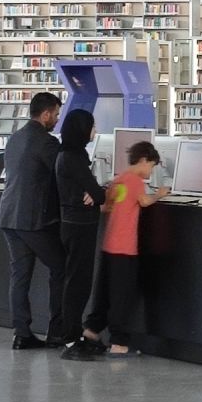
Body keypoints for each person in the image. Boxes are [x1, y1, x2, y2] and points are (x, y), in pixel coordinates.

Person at [73, 140, 169, 358]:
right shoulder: (135, 181)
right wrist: (160, 194)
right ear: (144, 160)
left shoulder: (118, 180)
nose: (150, 172)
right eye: (151, 166)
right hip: (125, 247)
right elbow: (144, 202)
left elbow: (106, 207)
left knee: (105, 292)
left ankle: (91, 331)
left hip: (109, 244)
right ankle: (119, 342)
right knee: (122, 296)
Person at [0, 92, 64, 350]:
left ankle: (21, 332)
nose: (56, 119)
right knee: (61, 268)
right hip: (32, 218)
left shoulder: (14, 138)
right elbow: (63, 174)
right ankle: (58, 331)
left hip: (8, 215)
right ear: (45, 114)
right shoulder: (46, 142)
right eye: (55, 114)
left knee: (20, 275)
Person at [56, 109, 106, 354]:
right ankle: (71, 338)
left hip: (73, 223)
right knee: (78, 283)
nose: (94, 131)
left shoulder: (68, 155)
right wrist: (95, 192)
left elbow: (93, 193)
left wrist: (93, 192)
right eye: (92, 126)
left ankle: (71, 335)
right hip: (80, 226)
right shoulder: (73, 158)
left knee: (76, 281)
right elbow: (98, 194)